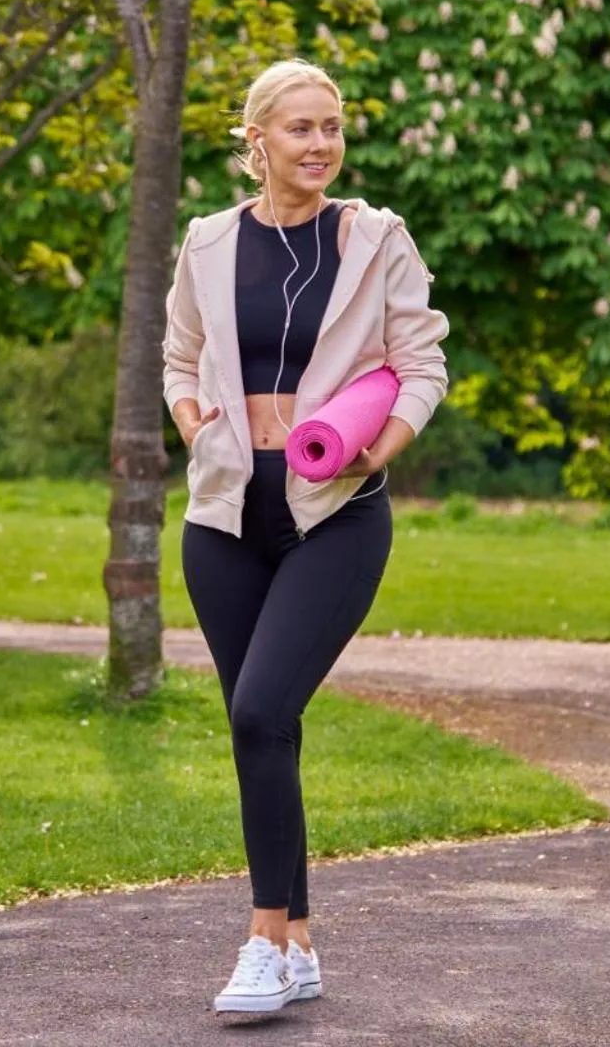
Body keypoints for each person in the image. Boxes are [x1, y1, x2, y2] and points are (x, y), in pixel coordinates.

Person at [160, 59, 450, 1013]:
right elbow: (178, 355)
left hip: (338, 513)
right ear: (258, 142)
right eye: (300, 129)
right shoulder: (207, 242)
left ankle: (259, 944)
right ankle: (301, 945)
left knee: (259, 710)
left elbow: (421, 363)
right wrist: (194, 420)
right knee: (263, 728)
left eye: (332, 127)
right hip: (228, 514)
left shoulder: (375, 239)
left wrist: (384, 451)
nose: (321, 144)